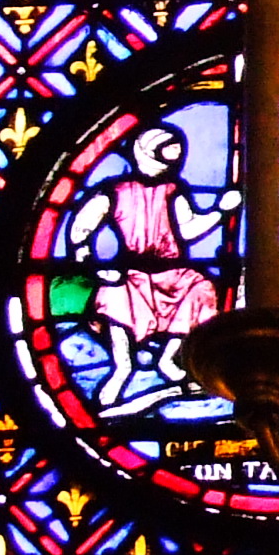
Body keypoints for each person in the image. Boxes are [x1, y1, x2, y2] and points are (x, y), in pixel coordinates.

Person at [72, 123, 225, 412]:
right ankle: (122, 369)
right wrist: (89, 262)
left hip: (172, 271)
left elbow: (189, 230)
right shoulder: (114, 191)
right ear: (148, 151)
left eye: (175, 152)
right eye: (167, 149)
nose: (173, 156)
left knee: (201, 288)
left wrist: (220, 210)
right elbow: (81, 228)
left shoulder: (171, 190)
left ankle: (168, 359)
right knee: (113, 298)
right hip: (132, 272)